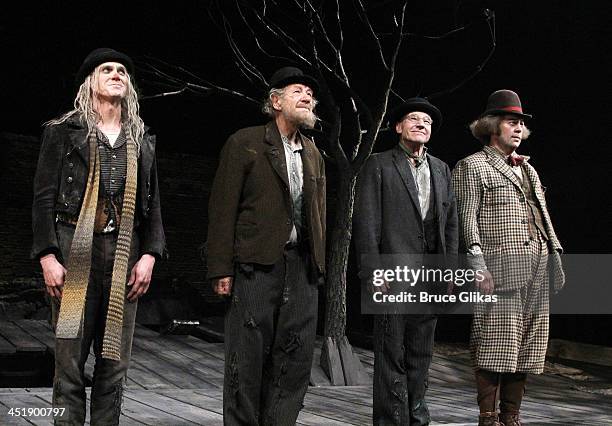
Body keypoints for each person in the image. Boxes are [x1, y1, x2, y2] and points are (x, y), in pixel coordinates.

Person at [32, 47, 166, 425]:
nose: (116, 74)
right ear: (90, 81)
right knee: (70, 364)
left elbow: (153, 204)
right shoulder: (64, 133)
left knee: (114, 365)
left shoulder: (141, 140)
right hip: (75, 253)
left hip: (123, 257)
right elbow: (43, 198)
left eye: (122, 70)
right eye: (107, 69)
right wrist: (47, 255)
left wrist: (150, 255)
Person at [206, 66, 326, 425]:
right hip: (256, 266)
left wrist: (319, 267)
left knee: (294, 362)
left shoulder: (314, 154)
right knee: (247, 359)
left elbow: (319, 216)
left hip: (302, 269)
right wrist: (220, 267)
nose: (307, 97)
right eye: (298, 92)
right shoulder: (245, 141)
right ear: (275, 101)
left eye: (311, 94)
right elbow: (222, 207)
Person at [451, 90, 564, 426]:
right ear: (491, 126)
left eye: (520, 124)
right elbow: (465, 221)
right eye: (511, 122)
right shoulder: (473, 166)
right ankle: (488, 418)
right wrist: (477, 267)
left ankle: (511, 418)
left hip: (538, 265)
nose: (518, 128)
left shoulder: (529, 169)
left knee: (529, 347)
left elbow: (542, 217)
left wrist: (555, 253)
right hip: (500, 268)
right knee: (493, 343)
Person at [353, 98, 458, 425]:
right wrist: (373, 272)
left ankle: (417, 419)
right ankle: (389, 421)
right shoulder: (379, 164)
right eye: (414, 119)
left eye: (426, 121)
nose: (421, 124)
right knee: (390, 356)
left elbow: (450, 222)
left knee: (420, 356)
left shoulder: (441, 168)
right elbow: (366, 222)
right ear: (398, 127)